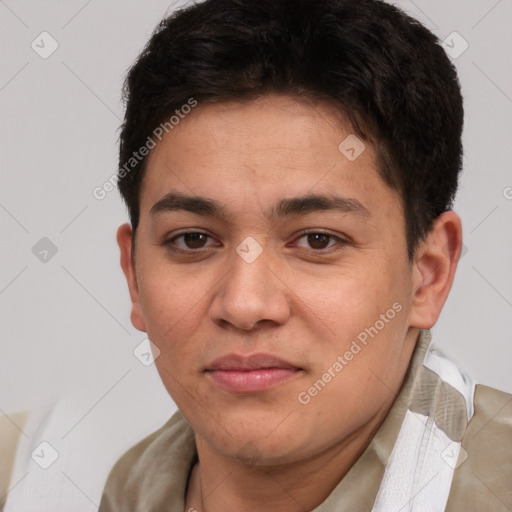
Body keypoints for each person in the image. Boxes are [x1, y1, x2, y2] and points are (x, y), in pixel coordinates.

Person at [98, 0, 512, 510]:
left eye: (318, 240)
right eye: (193, 239)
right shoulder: (132, 489)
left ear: (427, 275)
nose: (245, 305)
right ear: (134, 277)